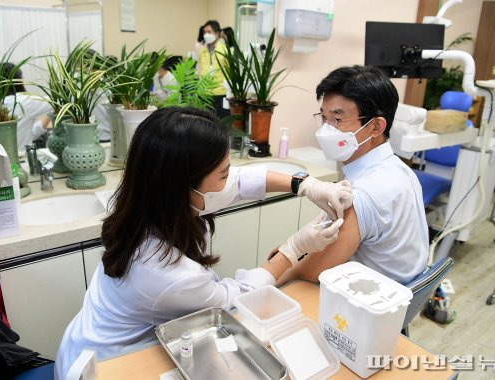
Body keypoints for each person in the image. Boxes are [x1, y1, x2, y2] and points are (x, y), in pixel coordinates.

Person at [54, 107, 351, 379]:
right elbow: (233, 299)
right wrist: (295, 247)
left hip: (90, 335)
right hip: (108, 365)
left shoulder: (146, 202)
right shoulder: (163, 270)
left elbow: (242, 181)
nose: (229, 180)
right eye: (222, 174)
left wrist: (305, 184)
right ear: (182, 185)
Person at [277, 66, 429, 286]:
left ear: (376, 126)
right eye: (324, 117)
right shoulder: (399, 169)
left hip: (369, 301)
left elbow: (311, 272)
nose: (326, 130)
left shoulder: (364, 194)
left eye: (337, 120)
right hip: (396, 290)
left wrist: (281, 264)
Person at [0, 63, 52, 150]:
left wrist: (51, 113)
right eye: (21, 77)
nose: (23, 79)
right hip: (17, 161)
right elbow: (58, 100)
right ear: (16, 81)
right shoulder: (19, 102)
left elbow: (26, 132)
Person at [197, 20, 229, 119]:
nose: (206, 34)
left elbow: (230, 72)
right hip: (204, 92)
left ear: (217, 33)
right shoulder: (202, 50)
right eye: (204, 32)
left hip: (220, 92)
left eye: (209, 32)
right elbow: (199, 70)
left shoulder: (225, 50)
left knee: (220, 122)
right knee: (205, 122)